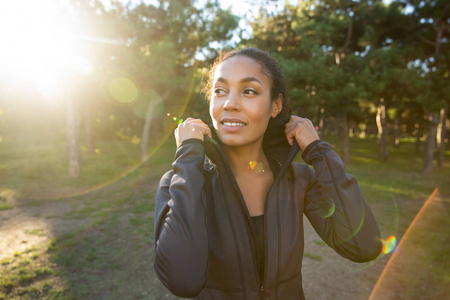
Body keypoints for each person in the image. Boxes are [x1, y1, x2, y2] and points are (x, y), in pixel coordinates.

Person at [153, 48, 382, 300]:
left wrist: (318, 151)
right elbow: (183, 281)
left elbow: (363, 247)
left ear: (276, 106)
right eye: (220, 91)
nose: (229, 103)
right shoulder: (181, 183)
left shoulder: (300, 180)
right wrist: (187, 156)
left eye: (249, 91)